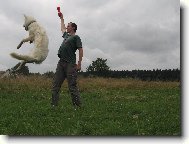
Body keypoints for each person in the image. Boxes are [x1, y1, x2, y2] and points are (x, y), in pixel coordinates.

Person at [51, 9, 83, 108]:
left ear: (73, 28)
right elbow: (62, 29)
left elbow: (80, 50)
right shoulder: (66, 36)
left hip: (70, 64)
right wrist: (61, 18)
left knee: (72, 86)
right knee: (55, 85)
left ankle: (77, 106)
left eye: (68, 26)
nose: (66, 27)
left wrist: (79, 63)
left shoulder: (76, 37)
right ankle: (54, 105)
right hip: (61, 63)